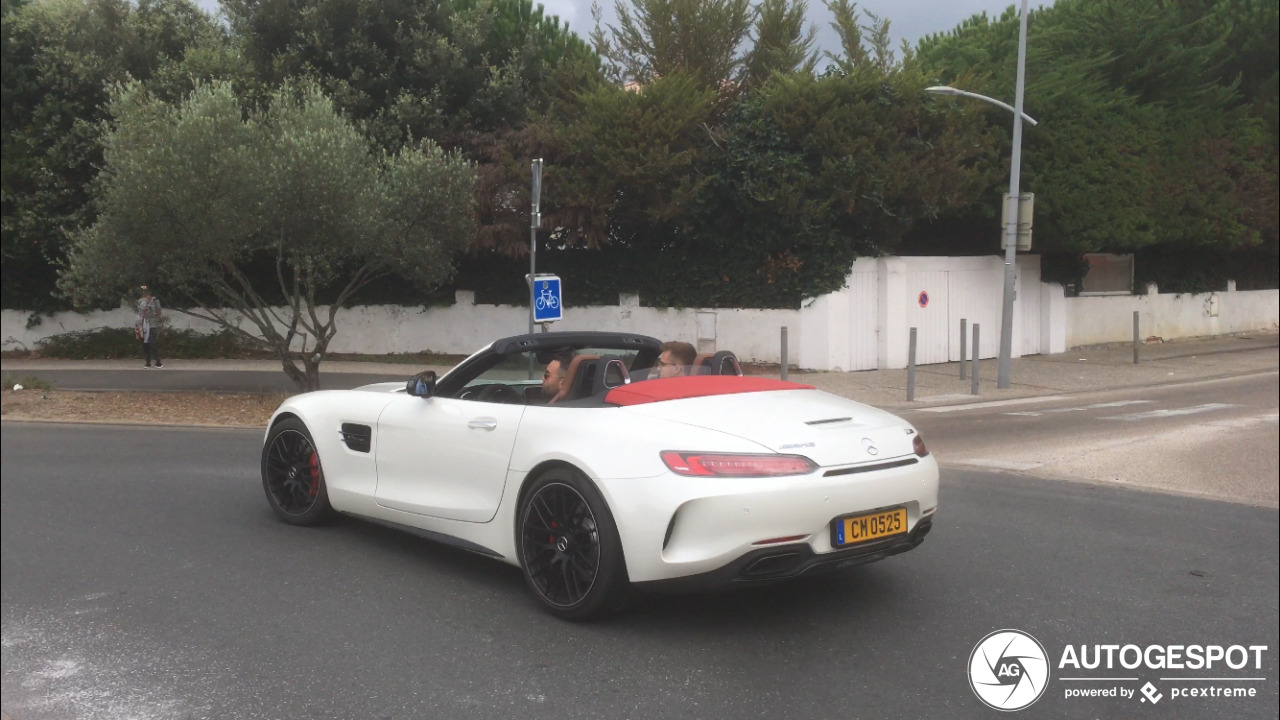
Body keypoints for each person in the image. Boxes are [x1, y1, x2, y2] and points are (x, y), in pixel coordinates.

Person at [135, 285, 164, 368]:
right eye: (143, 292)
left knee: (152, 343)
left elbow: (158, 311)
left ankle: (158, 362)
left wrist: (159, 320)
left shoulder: (155, 301)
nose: (144, 293)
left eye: (145, 292)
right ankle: (148, 362)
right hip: (142, 324)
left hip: (152, 324)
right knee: (145, 344)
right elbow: (139, 313)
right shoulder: (140, 301)